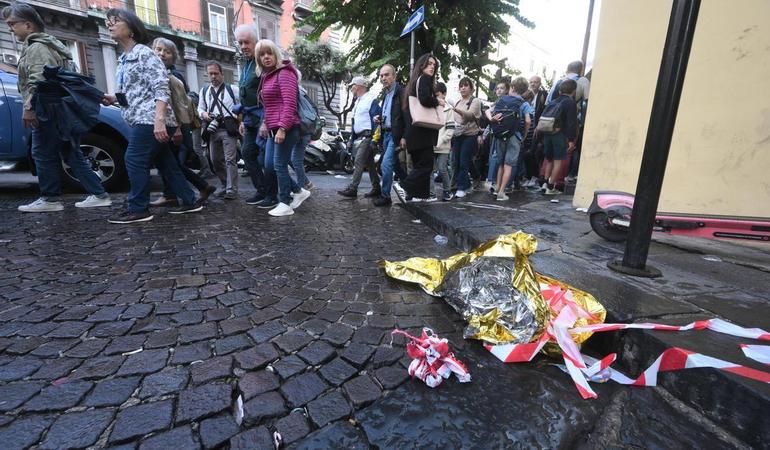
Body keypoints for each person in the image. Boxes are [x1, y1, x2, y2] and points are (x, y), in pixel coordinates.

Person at [3, 3, 112, 213]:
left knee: (42, 153)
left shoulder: (37, 47)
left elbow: (39, 79)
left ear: (28, 24)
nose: (10, 28)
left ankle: (50, 199)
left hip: (47, 107)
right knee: (70, 152)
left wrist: (28, 107)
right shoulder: (46, 45)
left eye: (12, 24)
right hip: (57, 107)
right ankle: (99, 194)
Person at [102, 8, 201, 223]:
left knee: (134, 159)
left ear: (131, 29)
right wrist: (115, 98)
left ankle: (138, 209)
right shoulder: (124, 59)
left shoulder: (145, 54)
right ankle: (189, 200)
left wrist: (159, 121)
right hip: (139, 117)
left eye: (115, 21)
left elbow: (161, 88)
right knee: (166, 163)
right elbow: (137, 92)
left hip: (148, 119)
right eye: (108, 21)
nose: (109, 24)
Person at [149, 38, 215, 207]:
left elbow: (179, 105)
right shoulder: (158, 73)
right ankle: (174, 193)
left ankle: (190, 190)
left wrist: (178, 129)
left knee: (170, 162)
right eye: (158, 49)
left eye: (167, 51)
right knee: (167, 161)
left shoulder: (174, 76)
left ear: (173, 57)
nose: (162, 53)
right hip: (169, 125)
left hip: (175, 126)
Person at [256, 39, 310, 217]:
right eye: (262, 54)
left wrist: (282, 129)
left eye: (269, 53)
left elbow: (289, 104)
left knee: (279, 165)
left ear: (276, 54)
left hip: (287, 128)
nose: (266, 57)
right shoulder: (266, 76)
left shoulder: (285, 73)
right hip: (273, 129)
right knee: (270, 165)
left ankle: (285, 202)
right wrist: (265, 122)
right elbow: (269, 105)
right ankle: (299, 191)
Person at [393, 53, 444, 203]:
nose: (432, 67)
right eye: (429, 64)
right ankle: (404, 187)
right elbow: (425, 99)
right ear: (421, 65)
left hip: (414, 132)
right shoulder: (425, 79)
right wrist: (438, 101)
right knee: (426, 165)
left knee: (418, 165)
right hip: (422, 132)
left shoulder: (413, 82)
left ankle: (420, 195)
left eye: (434, 65)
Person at [234, 24, 268, 206]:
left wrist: (266, 121)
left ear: (256, 42)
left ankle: (288, 190)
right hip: (249, 119)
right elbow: (244, 94)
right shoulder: (246, 64)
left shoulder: (263, 61)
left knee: (268, 160)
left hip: (263, 118)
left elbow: (271, 94)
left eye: (246, 42)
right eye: (240, 43)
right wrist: (241, 120)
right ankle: (262, 191)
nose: (243, 46)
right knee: (247, 154)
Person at [197, 61, 240, 200]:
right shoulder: (204, 91)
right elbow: (200, 109)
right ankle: (224, 185)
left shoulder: (232, 89)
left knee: (230, 160)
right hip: (212, 130)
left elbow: (242, 105)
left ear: (221, 73)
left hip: (228, 129)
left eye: (216, 73)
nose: (213, 76)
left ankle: (231, 190)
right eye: (210, 74)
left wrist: (237, 116)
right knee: (215, 160)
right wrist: (204, 115)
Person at [490, 76, 532, 201]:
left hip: (501, 134)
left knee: (501, 163)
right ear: (524, 91)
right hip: (515, 136)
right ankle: (502, 192)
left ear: (512, 87)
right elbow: (528, 121)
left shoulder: (502, 100)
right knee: (509, 165)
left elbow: (490, 111)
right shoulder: (524, 103)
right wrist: (523, 135)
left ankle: (497, 187)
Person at [337, 76, 380, 199]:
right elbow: (356, 122)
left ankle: (353, 188)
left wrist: (374, 139)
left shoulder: (371, 99)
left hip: (368, 136)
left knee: (358, 161)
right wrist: (351, 139)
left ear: (359, 86)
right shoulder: (358, 101)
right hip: (361, 137)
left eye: (352, 86)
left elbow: (376, 120)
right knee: (369, 163)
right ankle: (376, 188)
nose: (351, 89)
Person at [372, 64, 406, 207]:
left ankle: (386, 196)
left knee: (386, 164)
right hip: (385, 133)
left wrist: (405, 136)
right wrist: (379, 117)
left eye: (387, 75)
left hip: (395, 135)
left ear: (394, 76)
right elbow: (390, 114)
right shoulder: (386, 94)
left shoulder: (401, 92)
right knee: (395, 165)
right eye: (381, 75)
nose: (383, 78)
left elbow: (407, 116)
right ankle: (409, 186)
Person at [541, 78, 578, 195]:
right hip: (559, 135)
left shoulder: (554, 101)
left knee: (549, 159)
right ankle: (551, 187)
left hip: (547, 133)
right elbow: (571, 123)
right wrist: (571, 140)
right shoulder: (570, 102)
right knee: (558, 161)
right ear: (573, 90)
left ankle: (545, 183)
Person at [450, 77, 482, 198]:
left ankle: (462, 187)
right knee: (457, 161)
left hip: (470, 135)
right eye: (461, 86)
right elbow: (454, 119)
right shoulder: (458, 101)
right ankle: (471, 179)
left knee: (464, 160)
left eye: (466, 85)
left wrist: (455, 110)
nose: (463, 88)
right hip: (458, 135)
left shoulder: (475, 101)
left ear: (471, 88)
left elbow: (469, 115)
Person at [434, 82, 455, 201]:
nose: (436, 98)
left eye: (438, 95)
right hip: (431, 144)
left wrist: (441, 140)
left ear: (444, 94)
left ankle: (447, 191)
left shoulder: (448, 109)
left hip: (443, 146)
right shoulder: (432, 107)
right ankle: (431, 192)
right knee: (430, 170)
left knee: (442, 168)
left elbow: (450, 130)